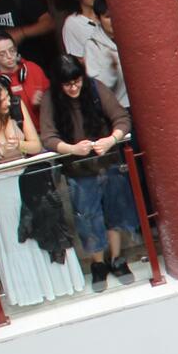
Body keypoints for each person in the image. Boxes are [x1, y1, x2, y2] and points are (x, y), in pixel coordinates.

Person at [0, 76, 86, 307]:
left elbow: (35, 145)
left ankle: (56, 284)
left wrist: (17, 145)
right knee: (15, 239)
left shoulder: (17, 107)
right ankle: (29, 291)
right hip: (0, 184)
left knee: (44, 228)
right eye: (2, 100)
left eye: (7, 96)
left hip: (28, 179)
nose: (8, 102)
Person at [37, 55, 138, 292]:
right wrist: (71, 149)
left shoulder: (94, 88)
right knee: (87, 217)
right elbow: (48, 137)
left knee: (115, 211)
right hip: (78, 170)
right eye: (67, 84)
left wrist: (111, 139)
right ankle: (98, 264)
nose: (74, 87)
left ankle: (117, 258)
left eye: (76, 81)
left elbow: (122, 118)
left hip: (108, 162)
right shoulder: (51, 99)